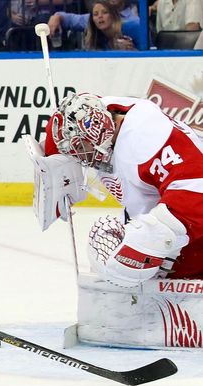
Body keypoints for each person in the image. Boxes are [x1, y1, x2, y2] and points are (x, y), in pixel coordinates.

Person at [25, 92, 203, 348]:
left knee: (128, 255)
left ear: (98, 135)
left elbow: (197, 187)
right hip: (186, 227)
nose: (80, 158)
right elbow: (72, 118)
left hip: (196, 229)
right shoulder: (106, 118)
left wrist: (156, 238)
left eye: (81, 149)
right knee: (106, 241)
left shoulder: (145, 135)